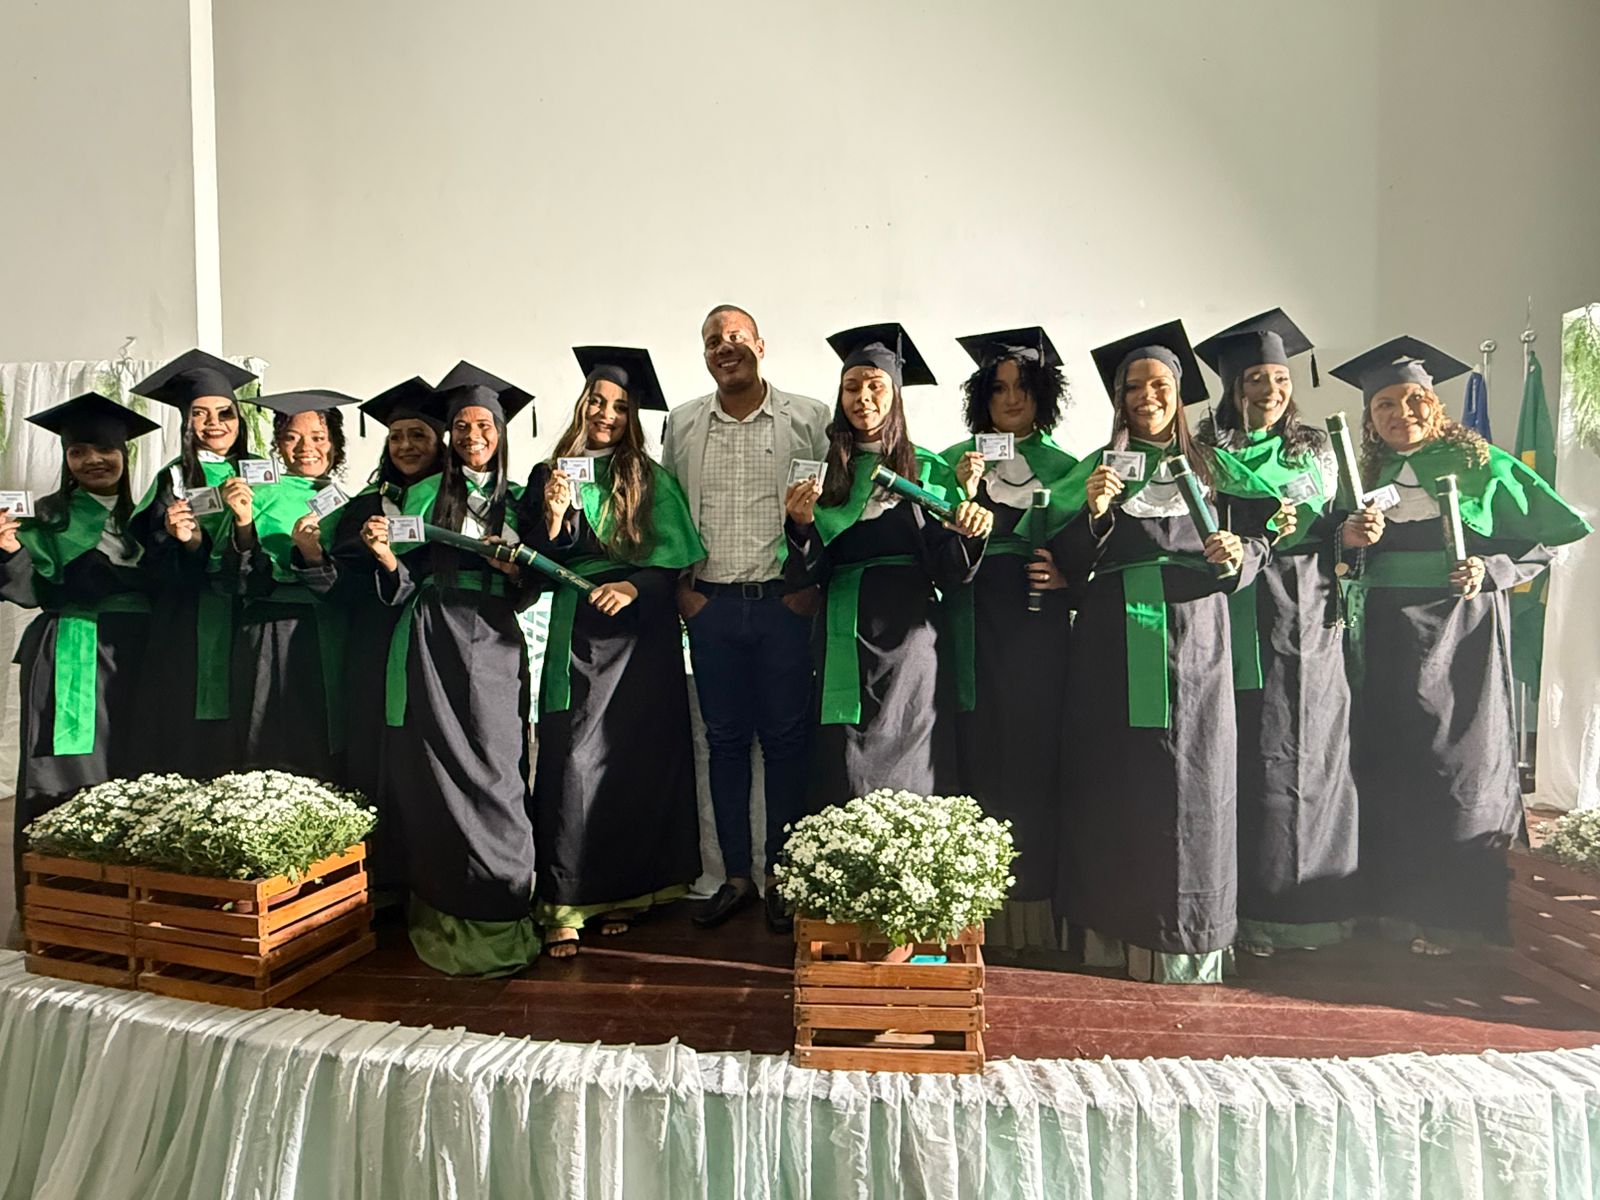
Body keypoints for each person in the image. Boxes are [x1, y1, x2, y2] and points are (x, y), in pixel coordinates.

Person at [1332, 337, 1592, 955]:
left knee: (1455, 768)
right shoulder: (1361, 476)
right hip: (1380, 635)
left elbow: (1545, 542)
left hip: (1461, 637)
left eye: (1413, 400)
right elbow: (1335, 558)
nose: (1400, 414)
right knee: (1385, 764)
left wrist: (1490, 569)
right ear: (1369, 417)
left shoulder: (1482, 465)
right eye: (1384, 405)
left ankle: (1456, 919)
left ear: (1436, 404)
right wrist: (1348, 539)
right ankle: (1388, 910)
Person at [1051, 320, 1273, 984]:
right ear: (1119, 398)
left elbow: (1263, 540)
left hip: (1195, 635)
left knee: (1192, 781)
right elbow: (1064, 559)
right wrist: (1093, 514)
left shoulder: (1214, 465)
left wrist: (1239, 554)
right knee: (1112, 781)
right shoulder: (1098, 468)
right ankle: (1111, 935)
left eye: (1159, 385)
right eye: (1133, 387)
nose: (1146, 396)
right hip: (1110, 640)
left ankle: (1188, 941)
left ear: (1179, 395)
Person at [1193, 309, 1373, 956]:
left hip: (1308, 613)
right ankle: (1239, 909)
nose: (1270, 390)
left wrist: (1350, 534)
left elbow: (1341, 534)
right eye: (1254, 380)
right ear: (1232, 386)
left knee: (1309, 751)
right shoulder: (1206, 454)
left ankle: (1310, 910)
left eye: (1279, 378)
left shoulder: (1316, 451)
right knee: (1239, 749)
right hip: (1234, 608)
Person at [524, 347, 707, 958]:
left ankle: (628, 891)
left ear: (632, 418)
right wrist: (554, 517)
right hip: (577, 627)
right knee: (573, 757)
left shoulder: (650, 479)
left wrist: (632, 586)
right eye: (598, 402)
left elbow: (675, 561)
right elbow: (534, 559)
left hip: (640, 631)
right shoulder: (549, 473)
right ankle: (565, 901)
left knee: (634, 757)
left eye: (621, 407)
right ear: (583, 405)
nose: (607, 414)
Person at [362, 367, 542, 976]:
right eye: (461, 426)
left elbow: (529, 589)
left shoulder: (522, 499)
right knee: (436, 770)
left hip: (494, 640)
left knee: (498, 770)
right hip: (434, 636)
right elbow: (402, 580)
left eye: (483, 425)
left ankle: (501, 906)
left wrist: (516, 571)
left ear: (501, 432)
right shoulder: (422, 497)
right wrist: (385, 556)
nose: (472, 436)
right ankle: (445, 909)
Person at [660, 305, 830, 932]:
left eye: (736, 337)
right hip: (711, 607)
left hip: (783, 606)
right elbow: (670, 511)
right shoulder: (682, 423)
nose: (724, 347)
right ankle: (735, 877)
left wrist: (809, 587)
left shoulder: (809, 417)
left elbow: (831, 509)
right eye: (713, 341)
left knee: (786, 744)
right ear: (704, 354)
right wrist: (684, 592)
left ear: (761, 345)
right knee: (725, 745)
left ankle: (783, 876)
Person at [784, 323, 993, 807]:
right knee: (845, 757)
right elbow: (804, 574)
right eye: (851, 387)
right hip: (843, 628)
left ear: (896, 395)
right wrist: (801, 524)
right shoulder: (825, 474)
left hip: (912, 636)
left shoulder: (929, 468)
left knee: (915, 751)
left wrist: (969, 533)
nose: (863, 398)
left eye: (875, 386)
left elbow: (952, 572)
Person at [940, 327, 1079, 956]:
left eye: (1023, 387)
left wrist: (1067, 576)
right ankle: (971, 915)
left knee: (1031, 758)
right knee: (973, 755)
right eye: (998, 389)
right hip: (967, 626)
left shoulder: (1070, 470)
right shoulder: (951, 462)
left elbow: (1089, 551)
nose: (1011, 399)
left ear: (1042, 395)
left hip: (1035, 632)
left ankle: (1031, 917)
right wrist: (962, 492)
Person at [0, 394, 160, 906]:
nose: (93, 460)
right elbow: (29, 591)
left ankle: (141, 895)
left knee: (139, 763)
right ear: (66, 458)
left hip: (143, 653)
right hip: (75, 647)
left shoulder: (150, 514)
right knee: (70, 764)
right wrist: (9, 551)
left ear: (124, 454)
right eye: (78, 452)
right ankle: (68, 898)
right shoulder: (46, 516)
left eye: (105, 449)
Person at [323, 376, 447, 893]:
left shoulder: (453, 499)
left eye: (418, 435)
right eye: (396, 437)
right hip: (374, 642)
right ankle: (380, 883)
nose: (406, 446)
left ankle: (430, 881)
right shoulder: (366, 505)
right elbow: (342, 578)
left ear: (439, 441)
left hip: (437, 640)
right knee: (374, 749)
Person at [131, 349, 259, 779]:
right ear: (186, 423)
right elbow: (153, 562)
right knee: (190, 728)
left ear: (239, 419)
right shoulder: (172, 479)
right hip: (188, 620)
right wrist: (186, 543)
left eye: (225, 413)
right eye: (200, 414)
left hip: (249, 613)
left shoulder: (262, 473)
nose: (214, 423)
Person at [215, 390, 356, 780]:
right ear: (278, 445)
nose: (306, 448)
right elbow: (233, 576)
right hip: (269, 627)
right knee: (268, 731)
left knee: (330, 731)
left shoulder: (350, 503)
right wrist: (244, 522)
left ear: (335, 444)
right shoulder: (257, 495)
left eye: (318, 437)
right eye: (292, 437)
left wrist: (314, 555)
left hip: (333, 630)